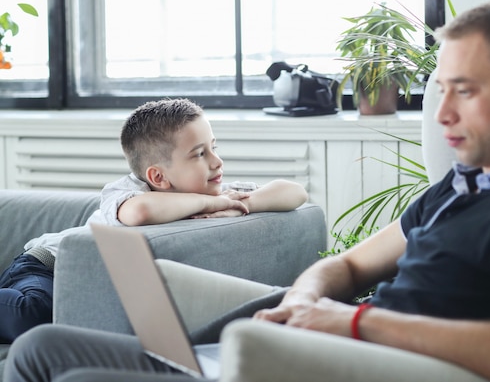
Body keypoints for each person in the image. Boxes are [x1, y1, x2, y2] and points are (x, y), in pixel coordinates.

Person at [4, 0, 490, 382]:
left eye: (465, 91)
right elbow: (350, 263)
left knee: (75, 375)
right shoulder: (459, 189)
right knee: (38, 348)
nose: (442, 114)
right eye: (441, 90)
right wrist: (305, 300)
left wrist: (352, 325)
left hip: (344, 362)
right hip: (305, 343)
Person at [0, 98, 308, 343]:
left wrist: (243, 203)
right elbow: (139, 213)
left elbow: (295, 193)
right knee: (32, 315)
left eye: (214, 147)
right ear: (158, 177)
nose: (217, 161)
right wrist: (213, 202)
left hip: (98, 290)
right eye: (199, 154)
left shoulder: (220, 193)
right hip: (49, 267)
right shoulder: (128, 193)